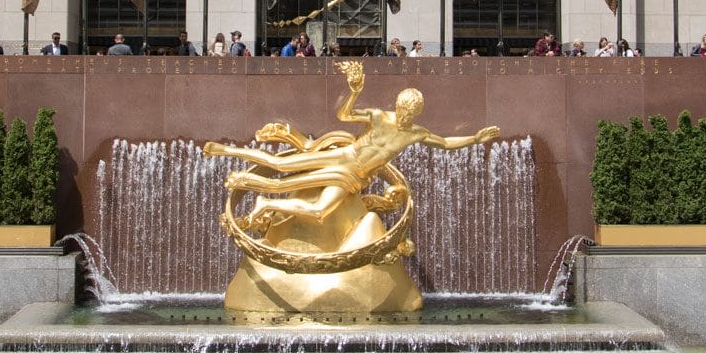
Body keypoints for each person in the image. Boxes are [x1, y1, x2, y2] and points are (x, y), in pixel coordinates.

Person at [203, 61, 500, 230]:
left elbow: (446, 142)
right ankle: (227, 151)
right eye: (404, 110)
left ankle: (265, 203)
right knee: (280, 165)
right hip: (344, 156)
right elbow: (344, 115)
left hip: (354, 177)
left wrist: (475, 138)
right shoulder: (379, 117)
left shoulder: (416, 133)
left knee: (320, 210)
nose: (406, 116)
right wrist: (354, 91)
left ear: (418, 113)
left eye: (412, 113)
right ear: (398, 105)